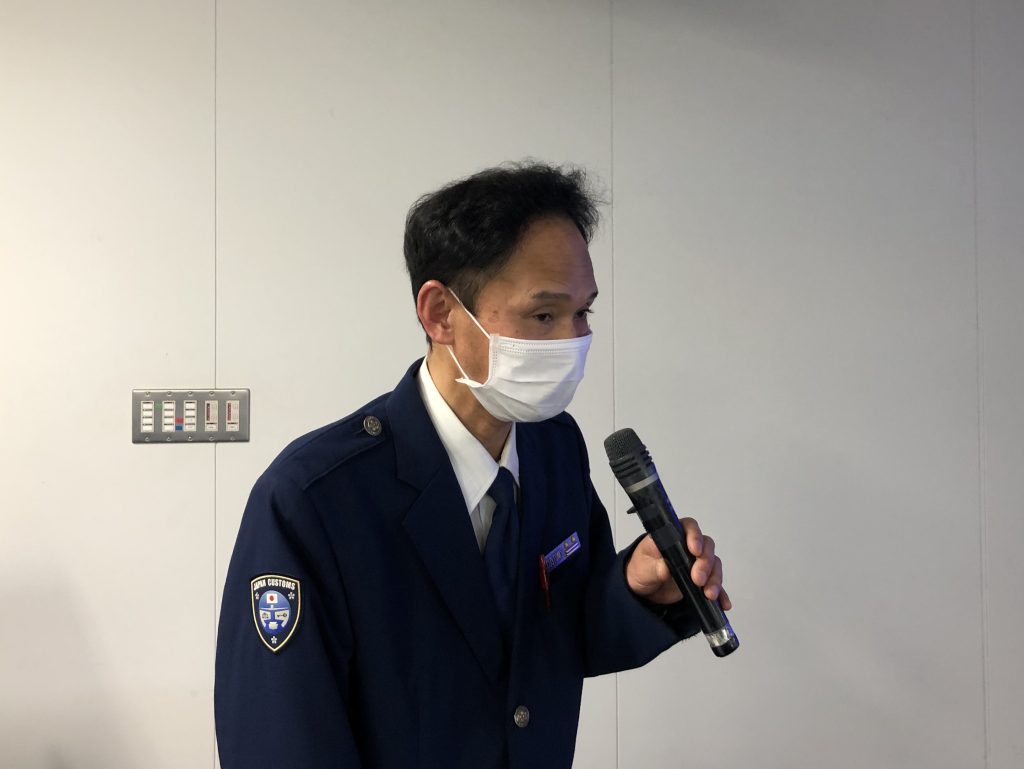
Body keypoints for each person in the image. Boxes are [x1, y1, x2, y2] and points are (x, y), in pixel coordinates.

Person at [214, 162, 731, 769]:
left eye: (583, 314)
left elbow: (559, 637)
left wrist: (638, 591)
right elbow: (279, 737)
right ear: (440, 314)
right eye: (543, 316)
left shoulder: (556, 450)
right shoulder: (315, 501)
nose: (571, 342)